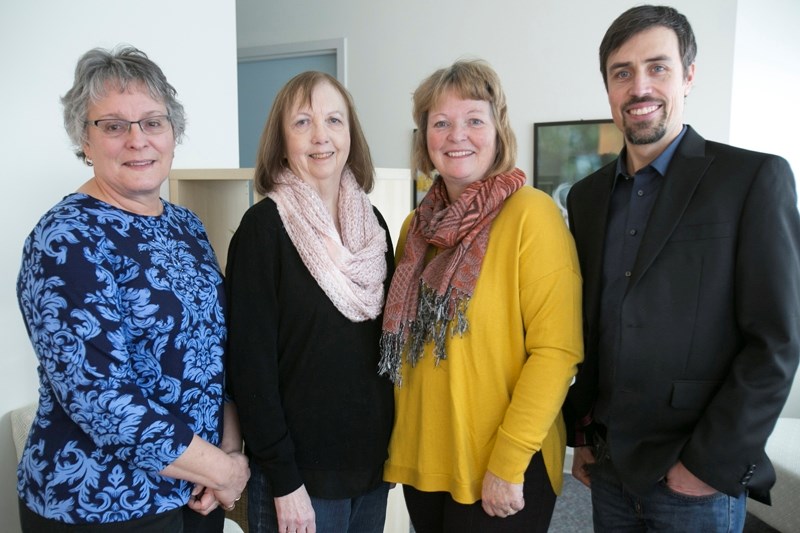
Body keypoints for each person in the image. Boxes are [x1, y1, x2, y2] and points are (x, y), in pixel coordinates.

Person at [562, 5, 800, 532]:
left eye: (658, 67)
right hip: (609, 466)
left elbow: (777, 341)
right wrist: (581, 433)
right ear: (607, 87)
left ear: (689, 75)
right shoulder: (586, 197)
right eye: (622, 72)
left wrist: (705, 467)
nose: (639, 86)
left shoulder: (753, 179)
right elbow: (591, 324)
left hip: (695, 478)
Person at [15, 45, 250, 532]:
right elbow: (103, 401)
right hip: (103, 503)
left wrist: (230, 450)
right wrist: (225, 471)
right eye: (114, 125)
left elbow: (216, 353)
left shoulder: (185, 225)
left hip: (194, 491)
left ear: (173, 132)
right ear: (84, 138)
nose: (137, 140)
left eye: (153, 122)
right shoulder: (65, 240)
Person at [379, 59, 583, 533]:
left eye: (474, 119)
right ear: (424, 138)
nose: (457, 136)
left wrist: (509, 462)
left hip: (504, 464)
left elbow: (557, 351)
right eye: (441, 123)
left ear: (498, 130)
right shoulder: (415, 229)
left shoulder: (532, 215)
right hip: (426, 460)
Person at [225, 71, 395, 533]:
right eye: (302, 122)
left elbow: (380, 350)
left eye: (333, 120)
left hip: (370, 468)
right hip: (298, 478)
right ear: (281, 142)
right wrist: (284, 482)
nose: (320, 136)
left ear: (350, 135)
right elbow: (249, 369)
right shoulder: (264, 230)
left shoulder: (372, 224)